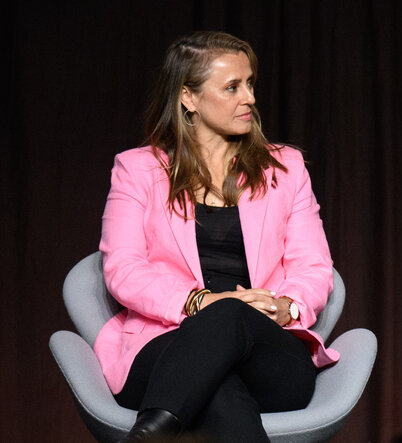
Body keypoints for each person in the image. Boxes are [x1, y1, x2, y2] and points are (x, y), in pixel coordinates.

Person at [94, 30, 339, 442]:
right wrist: (201, 302)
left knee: (230, 318)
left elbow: (313, 265)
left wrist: (285, 307)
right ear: (188, 98)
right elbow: (123, 268)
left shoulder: (286, 167)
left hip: (267, 350)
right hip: (166, 344)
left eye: (249, 84)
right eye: (232, 87)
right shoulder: (137, 170)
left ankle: (150, 432)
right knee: (217, 386)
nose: (250, 99)